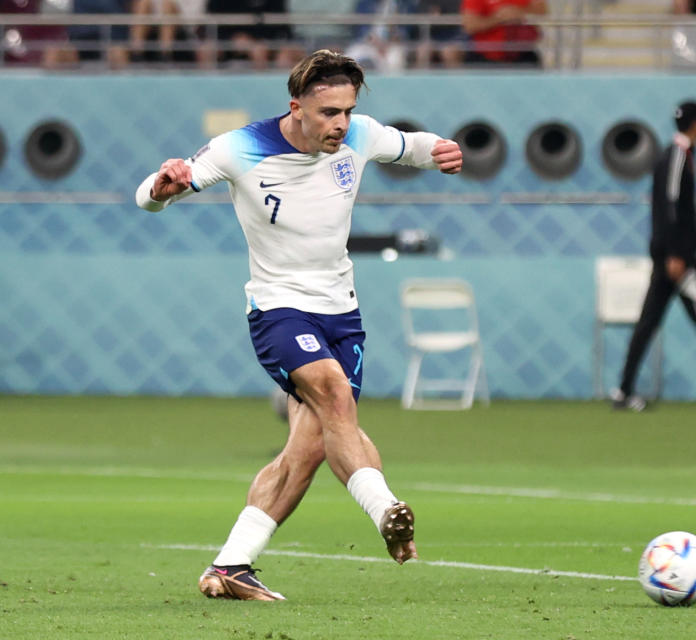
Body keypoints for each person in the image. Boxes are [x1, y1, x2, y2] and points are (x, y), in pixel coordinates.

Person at [134, 49, 463, 601]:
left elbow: (411, 147)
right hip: (278, 308)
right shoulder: (241, 147)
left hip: (343, 313)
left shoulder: (358, 137)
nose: (340, 124)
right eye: (329, 112)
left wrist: (442, 152)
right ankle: (387, 511)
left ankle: (231, 565)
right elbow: (151, 195)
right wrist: (161, 189)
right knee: (336, 397)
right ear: (297, 107)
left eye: (348, 111)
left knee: (308, 448)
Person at [612, 100, 696, 413]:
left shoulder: (683, 155)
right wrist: (676, 253)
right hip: (678, 259)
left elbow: (685, 211)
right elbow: (672, 205)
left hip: (675, 252)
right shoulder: (677, 156)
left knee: (648, 322)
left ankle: (623, 390)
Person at [461, 0, 546, 67]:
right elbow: (470, 25)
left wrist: (519, 12)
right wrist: (498, 18)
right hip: (486, 57)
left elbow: (543, 11)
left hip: (522, 55)